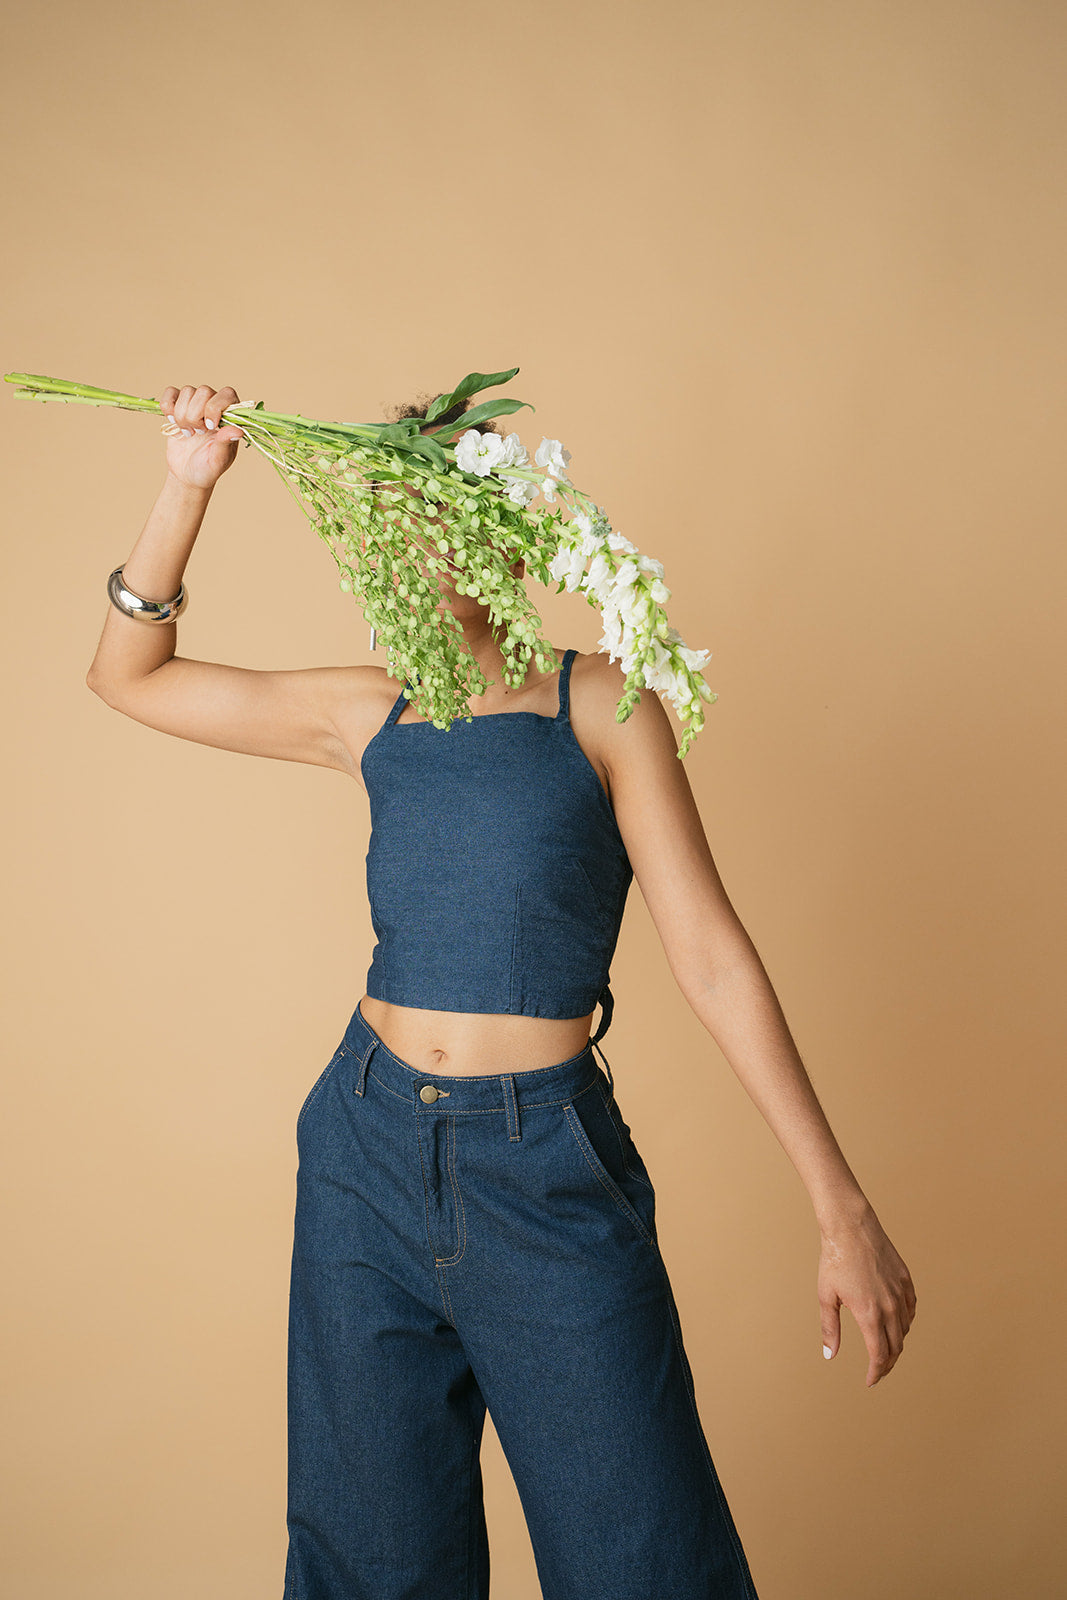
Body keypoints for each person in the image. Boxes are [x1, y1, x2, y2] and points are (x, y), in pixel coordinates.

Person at [86, 382, 917, 1600]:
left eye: (442, 514)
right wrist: (188, 484)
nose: (413, 547)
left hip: (543, 1168)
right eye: (390, 521)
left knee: (641, 1557)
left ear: (504, 530)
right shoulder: (367, 712)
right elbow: (128, 674)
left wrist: (837, 1204)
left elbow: (709, 953)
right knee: (372, 1563)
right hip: (362, 1154)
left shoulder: (606, 702)